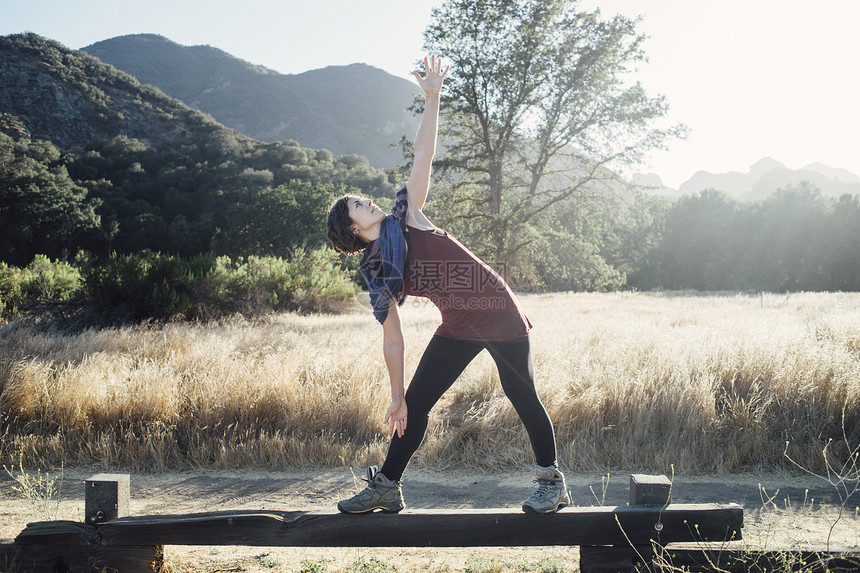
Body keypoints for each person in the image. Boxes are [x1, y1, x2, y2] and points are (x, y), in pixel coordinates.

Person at [325, 55, 568, 515]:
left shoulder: (407, 214)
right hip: (458, 322)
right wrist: (396, 398)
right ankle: (387, 486)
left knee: (521, 394)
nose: (368, 200)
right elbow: (392, 339)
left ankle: (551, 484)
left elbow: (423, 154)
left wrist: (432, 98)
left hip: (496, 309)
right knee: (415, 406)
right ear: (352, 228)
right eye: (359, 203)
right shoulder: (377, 271)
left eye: (364, 197)